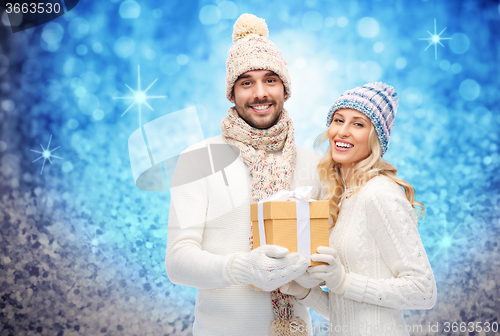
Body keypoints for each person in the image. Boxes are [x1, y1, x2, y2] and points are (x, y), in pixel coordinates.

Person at [165, 14, 325, 336]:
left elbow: (327, 262)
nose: (260, 93)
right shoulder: (198, 160)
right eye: (246, 82)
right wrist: (242, 268)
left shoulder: (315, 165)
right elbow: (178, 262)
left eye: (270, 79)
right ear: (232, 93)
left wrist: (314, 275)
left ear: (285, 88)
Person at [281, 82, 437, 335]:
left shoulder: (380, 193)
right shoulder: (343, 199)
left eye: (358, 124)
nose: (342, 131)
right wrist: (304, 291)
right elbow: (348, 311)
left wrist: (343, 280)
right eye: (338, 120)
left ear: (375, 139)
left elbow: (423, 291)